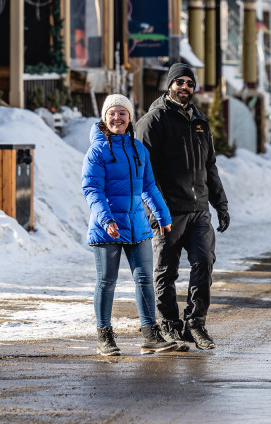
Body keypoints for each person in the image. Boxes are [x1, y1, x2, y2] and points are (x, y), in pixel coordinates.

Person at [137, 63, 230, 351]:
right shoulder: (153, 121)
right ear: (170, 85)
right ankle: (168, 325)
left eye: (189, 83)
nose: (185, 87)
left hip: (199, 209)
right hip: (168, 211)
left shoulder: (200, 122)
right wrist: (156, 212)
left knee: (204, 263)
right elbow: (144, 171)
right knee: (166, 270)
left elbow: (209, 167)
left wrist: (220, 204)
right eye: (179, 82)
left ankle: (195, 324)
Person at [82, 93, 177, 357]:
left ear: (129, 117)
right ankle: (104, 335)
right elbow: (92, 189)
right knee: (106, 281)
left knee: (145, 279)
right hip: (107, 227)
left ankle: (150, 334)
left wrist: (163, 216)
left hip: (136, 224)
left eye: (122, 112)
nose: (117, 117)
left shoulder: (139, 149)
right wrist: (107, 219)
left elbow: (148, 186)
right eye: (112, 113)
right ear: (104, 117)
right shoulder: (97, 150)